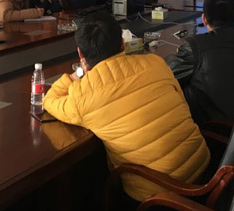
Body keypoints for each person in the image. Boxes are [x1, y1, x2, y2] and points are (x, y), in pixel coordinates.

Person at [43, 13, 210, 203]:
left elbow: (50, 99)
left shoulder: (84, 95)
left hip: (158, 195)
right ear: (122, 44)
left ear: (80, 53)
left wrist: (77, 74)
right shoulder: (155, 62)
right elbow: (182, 103)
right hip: (203, 170)